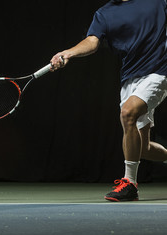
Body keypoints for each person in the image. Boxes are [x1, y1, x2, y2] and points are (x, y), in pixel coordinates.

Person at [50, 0, 167, 202]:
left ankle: (129, 184)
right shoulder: (104, 14)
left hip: (159, 70)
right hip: (130, 77)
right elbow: (92, 41)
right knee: (144, 148)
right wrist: (68, 52)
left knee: (128, 113)